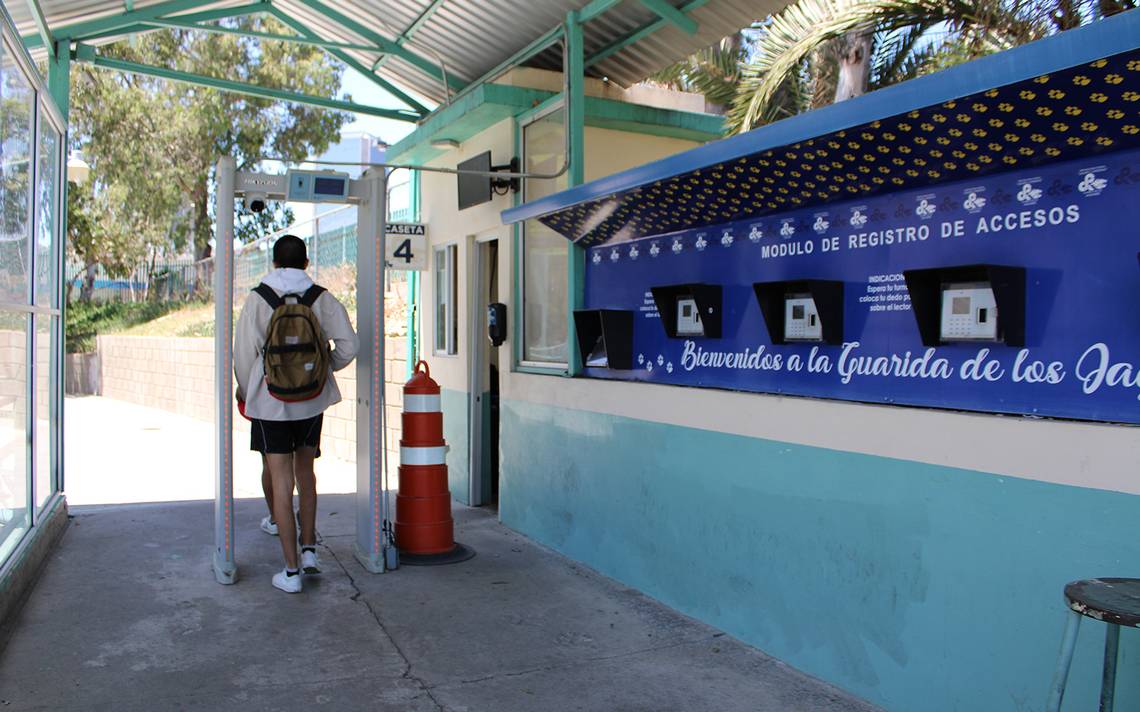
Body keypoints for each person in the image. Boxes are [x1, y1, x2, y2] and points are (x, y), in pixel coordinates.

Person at [234, 234, 357, 593]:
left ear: (274, 263)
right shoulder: (320, 298)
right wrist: (324, 369)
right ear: (306, 263)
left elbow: (243, 356)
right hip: (312, 400)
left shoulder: (258, 299)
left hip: (271, 403)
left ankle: (290, 574)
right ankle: (309, 552)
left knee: (281, 481)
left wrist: (249, 388)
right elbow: (351, 345)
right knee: (307, 473)